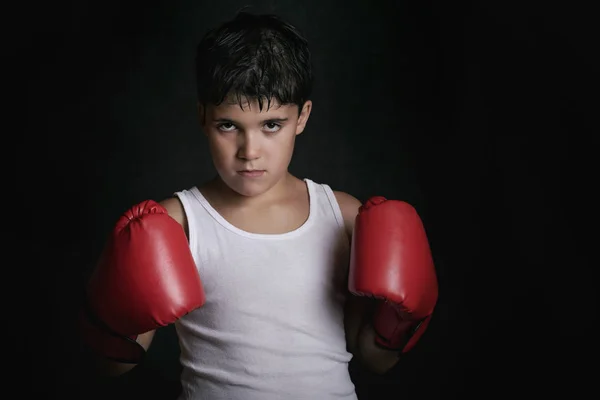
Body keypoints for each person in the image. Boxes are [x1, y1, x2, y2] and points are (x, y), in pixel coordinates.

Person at [79, 11, 438, 400]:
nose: (250, 152)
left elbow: (376, 360)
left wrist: (395, 324)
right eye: (229, 125)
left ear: (302, 117)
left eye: (271, 125)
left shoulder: (345, 217)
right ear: (203, 117)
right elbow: (112, 366)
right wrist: (115, 323)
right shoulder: (173, 224)